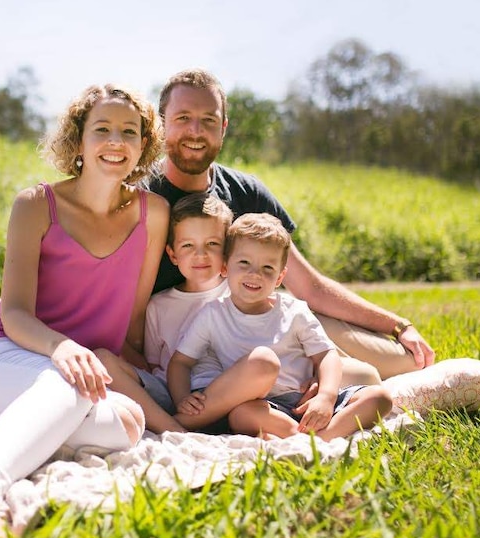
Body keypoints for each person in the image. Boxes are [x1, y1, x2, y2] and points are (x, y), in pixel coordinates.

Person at [0, 84, 168, 538]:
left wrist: (142, 371)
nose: (116, 141)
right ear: (78, 141)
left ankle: (8, 449)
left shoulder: (152, 213)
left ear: (143, 145)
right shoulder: (36, 205)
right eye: (102, 129)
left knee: (128, 421)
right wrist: (62, 349)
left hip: (74, 378)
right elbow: (16, 312)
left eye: (129, 132)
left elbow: (133, 315)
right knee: (76, 380)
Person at [148, 68, 436, 383]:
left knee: (410, 364)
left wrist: (397, 325)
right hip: (182, 349)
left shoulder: (246, 192)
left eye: (208, 120)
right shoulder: (140, 195)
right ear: (161, 125)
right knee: (362, 378)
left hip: (259, 330)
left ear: (223, 127)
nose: (196, 131)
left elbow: (309, 286)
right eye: (183, 118)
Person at [167, 213, 394, 440]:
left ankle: (317, 439)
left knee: (380, 397)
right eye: (244, 263)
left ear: (279, 278)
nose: (255, 274)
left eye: (267, 268)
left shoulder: (294, 311)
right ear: (225, 267)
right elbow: (180, 362)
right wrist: (182, 398)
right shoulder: (213, 314)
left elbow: (326, 356)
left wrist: (326, 396)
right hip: (262, 406)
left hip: (304, 400)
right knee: (241, 414)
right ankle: (308, 439)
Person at [103, 193, 281, 433]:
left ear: (227, 252)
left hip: (232, 397)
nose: (201, 255)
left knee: (261, 364)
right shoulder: (159, 306)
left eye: (212, 244)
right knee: (103, 359)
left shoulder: (242, 292)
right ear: (173, 254)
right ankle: (174, 427)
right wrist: (180, 398)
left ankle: (179, 427)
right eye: (188, 245)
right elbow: (154, 365)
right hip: (173, 398)